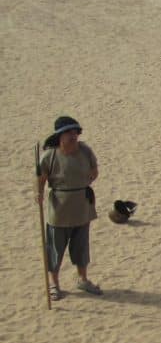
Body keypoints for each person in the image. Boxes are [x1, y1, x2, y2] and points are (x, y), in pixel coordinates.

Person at [36, 116, 102, 300]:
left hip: (82, 206)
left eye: (75, 133)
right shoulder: (50, 156)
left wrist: (86, 181)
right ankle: (54, 284)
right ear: (60, 136)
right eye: (69, 133)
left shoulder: (85, 150)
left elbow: (94, 170)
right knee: (55, 248)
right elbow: (40, 179)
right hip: (59, 209)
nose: (73, 136)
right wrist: (38, 193)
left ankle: (83, 279)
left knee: (81, 247)